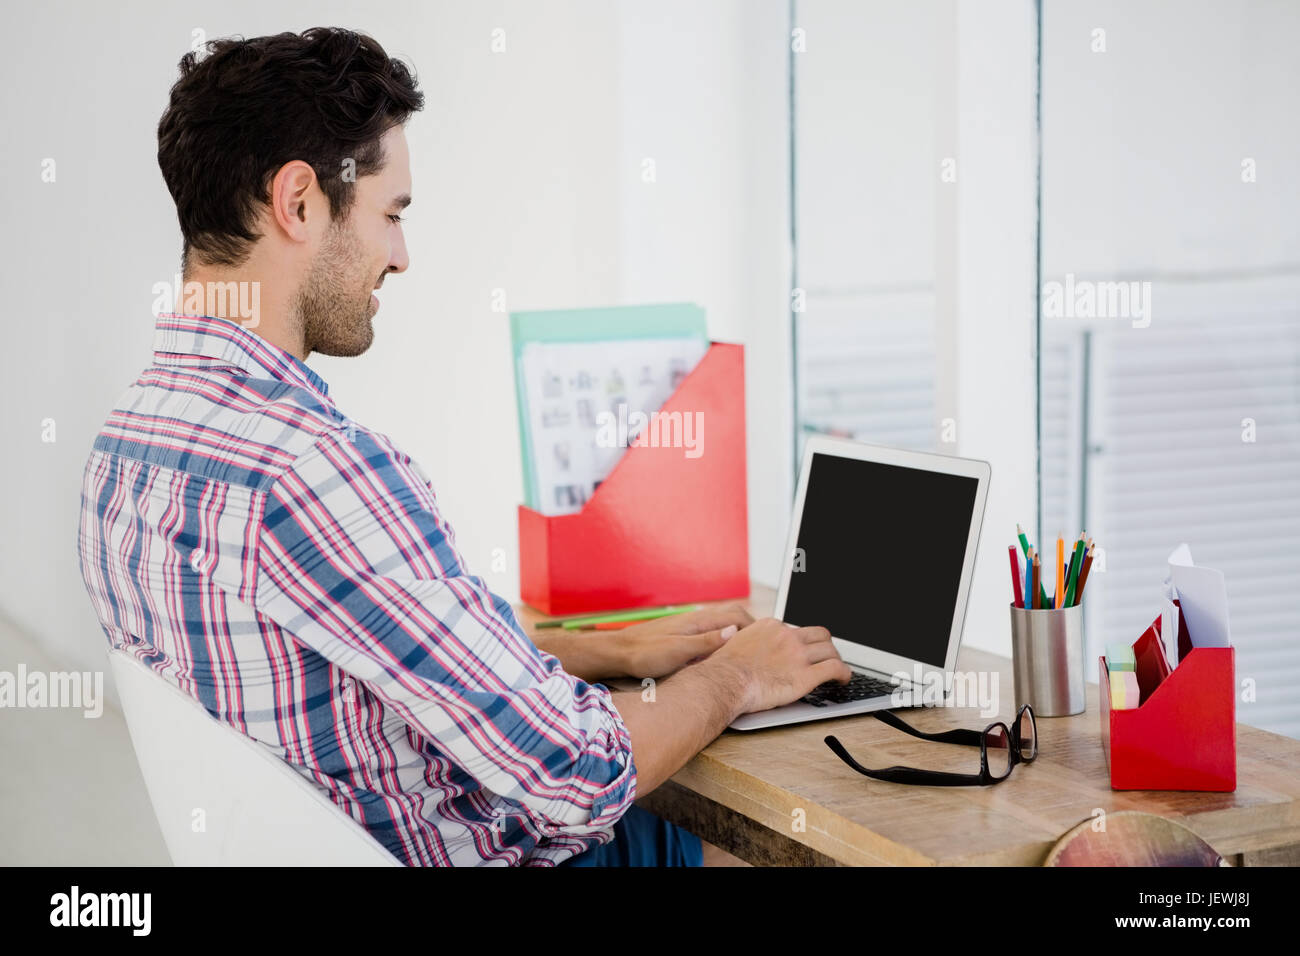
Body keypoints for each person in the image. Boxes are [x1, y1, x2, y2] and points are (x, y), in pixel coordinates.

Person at [76, 26, 849, 866]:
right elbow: (579, 774)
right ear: (299, 202)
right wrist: (738, 675)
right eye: (390, 214)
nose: (400, 257)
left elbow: (347, 663)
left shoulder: (125, 453)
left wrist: (607, 652)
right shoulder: (314, 472)